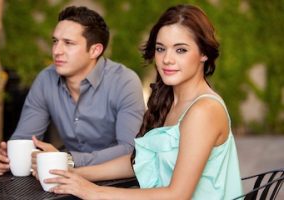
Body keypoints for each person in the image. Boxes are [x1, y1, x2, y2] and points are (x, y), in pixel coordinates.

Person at [44, 4, 244, 199]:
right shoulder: (169, 100)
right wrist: (77, 174)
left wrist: (92, 191)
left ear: (204, 53)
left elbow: (178, 195)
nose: (167, 59)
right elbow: (139, 161)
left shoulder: (204, 110)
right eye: (160, 49)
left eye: (180, 50)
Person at [0, 6, 145, 176]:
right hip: (64, 176)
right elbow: (25, 139)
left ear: (95, 50)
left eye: (68, 43)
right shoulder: (45, 79)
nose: (56, 51)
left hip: (117, 179)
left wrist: (68, 159)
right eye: (55, 41)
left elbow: (130, 149)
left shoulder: (124, 82)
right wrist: (6, 158)